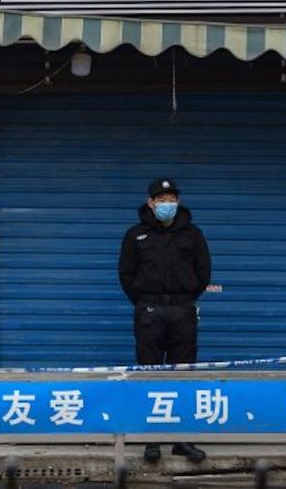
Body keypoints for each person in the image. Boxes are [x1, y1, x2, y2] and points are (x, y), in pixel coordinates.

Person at [118, 178, 211, 464]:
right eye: (161, 199)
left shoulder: (192, 235)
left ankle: (182, 439)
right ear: (151, 203)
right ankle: (152, 440)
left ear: (178, 202)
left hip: (182, 310)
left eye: (171, 199)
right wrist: (146, 302)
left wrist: (183, 299)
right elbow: (126, 275)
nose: (166, 204)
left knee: (183, 376)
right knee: (150, 373)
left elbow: (203, 273)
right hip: (149, 312)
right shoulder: (136, 236)